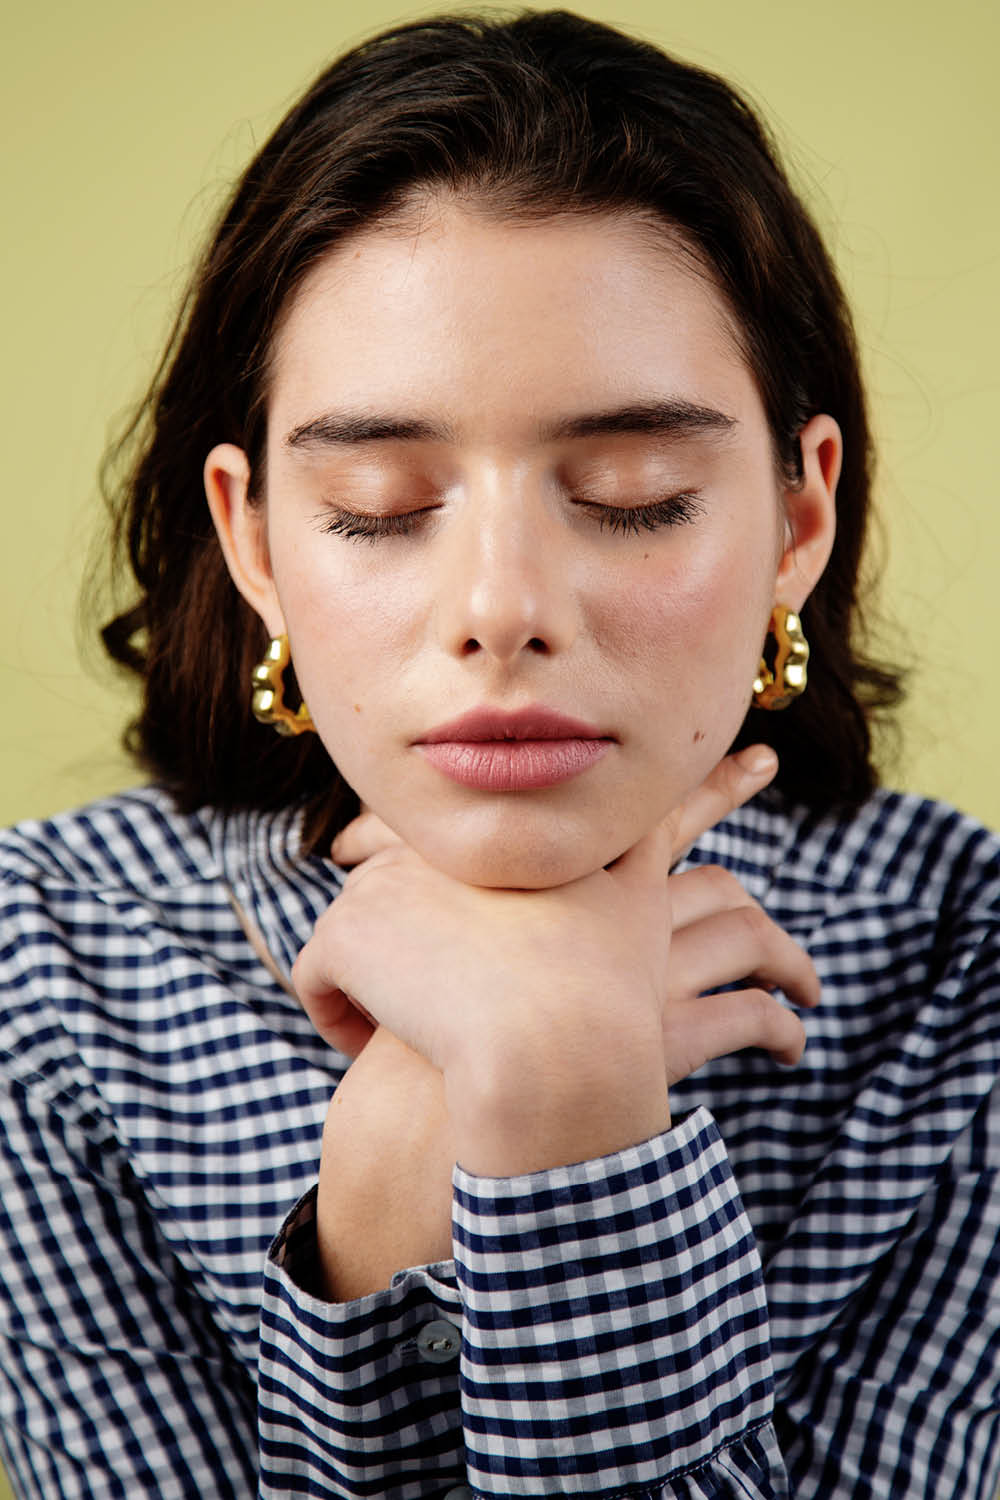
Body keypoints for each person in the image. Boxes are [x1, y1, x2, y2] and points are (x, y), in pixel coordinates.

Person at [0, 9, 997, 1498]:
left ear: (798, 520)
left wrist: (557, 1101)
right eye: (385, 506)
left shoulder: (964, 966)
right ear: (256, 536)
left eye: (635, 492)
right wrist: (392, 1174)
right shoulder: (47, 967)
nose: (501, 612)